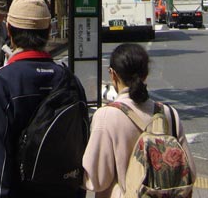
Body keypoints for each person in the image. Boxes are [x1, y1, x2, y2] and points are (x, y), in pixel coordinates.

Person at [0, 0, 85, 198]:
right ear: (49, 31)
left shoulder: (0, 83)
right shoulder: (70, 80)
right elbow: (80, 147)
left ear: (9, 30)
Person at [82, 43, 196, 198]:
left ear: (113, 74)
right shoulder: (169, 114)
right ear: (145, 75)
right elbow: (190, 173)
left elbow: (97, 180)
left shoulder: (106, 116)